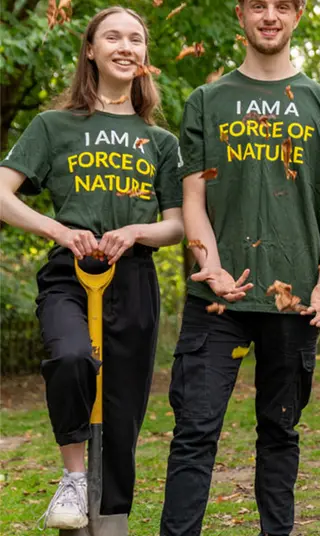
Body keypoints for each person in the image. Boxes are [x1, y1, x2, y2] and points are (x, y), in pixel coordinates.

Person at [158, 0, 320, 534]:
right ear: (240, 15)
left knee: (280, 431)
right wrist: (212, 266)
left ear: (298, 15)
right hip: (217, 299)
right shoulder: (207, 100)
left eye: (282, 6)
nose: (270, 15)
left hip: (294, 300)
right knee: (195, 430)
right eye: (258, 6)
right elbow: (192, 197)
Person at [0, 6, 184, 531]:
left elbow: (178, 225)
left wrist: (137, 232)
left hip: (133, 278)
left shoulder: (161, 142)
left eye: (136, 39)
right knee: (71, 356)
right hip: (71, 271)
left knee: (122, 413)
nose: (126, 46)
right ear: (90, 50)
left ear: (145, 57)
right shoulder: (53, 126)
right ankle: (74, 478)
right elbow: (2, 192)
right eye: (113, 37)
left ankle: (109, 524)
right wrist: (59, 231)